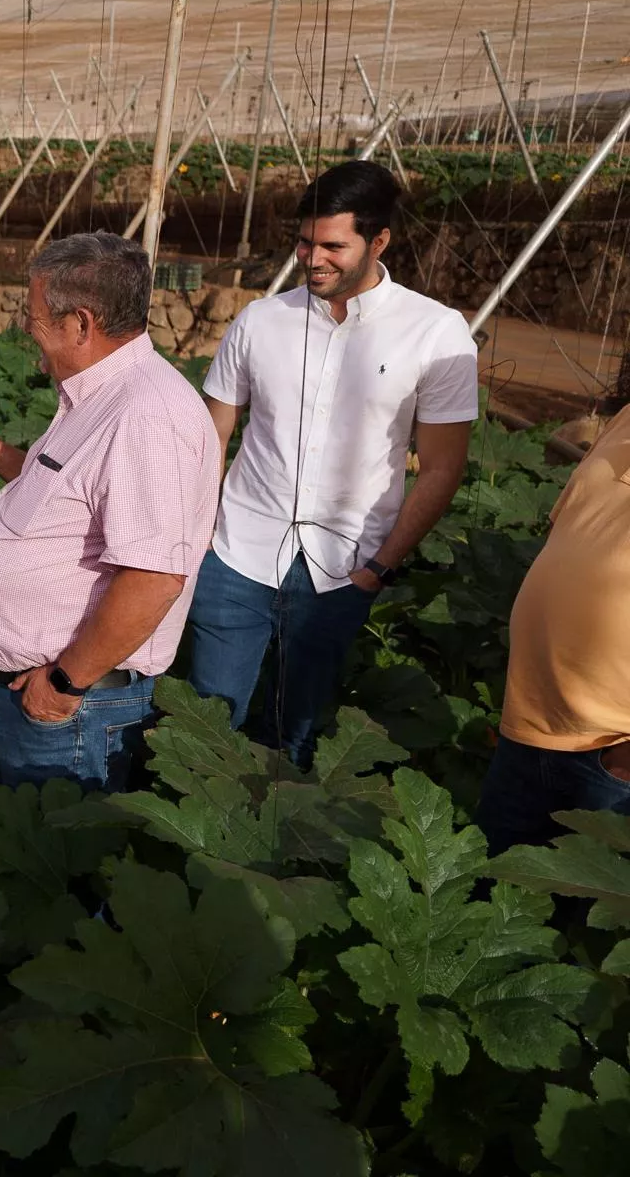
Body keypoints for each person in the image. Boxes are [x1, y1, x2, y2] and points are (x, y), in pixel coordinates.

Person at [187, 160, 478, 766]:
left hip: (345, 569)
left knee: (291, 731)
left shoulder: (436, 333)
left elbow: (443, 467)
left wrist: (381, 568)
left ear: (379, 241)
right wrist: (200, 536)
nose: (312, 258)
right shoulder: (261, 320)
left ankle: (270, 854)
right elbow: (213, 433)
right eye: (303, 242)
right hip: (237, 554)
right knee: (208, 722)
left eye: (332, 246)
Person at [0, 233, 218, 789]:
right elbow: (69, 499)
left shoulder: (145, 418)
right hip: (49, 688)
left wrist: (66, 684)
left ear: (81, 324)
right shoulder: (98, 396)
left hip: (76, 703)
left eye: (37, 316)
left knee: (62, 855)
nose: (28, 328)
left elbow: (153, 578)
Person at [474, 405, 630, 854]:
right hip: (528, 724)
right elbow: (569, 532)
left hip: (609, 753)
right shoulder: (624, 421)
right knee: (489, 899)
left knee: (574, 914)